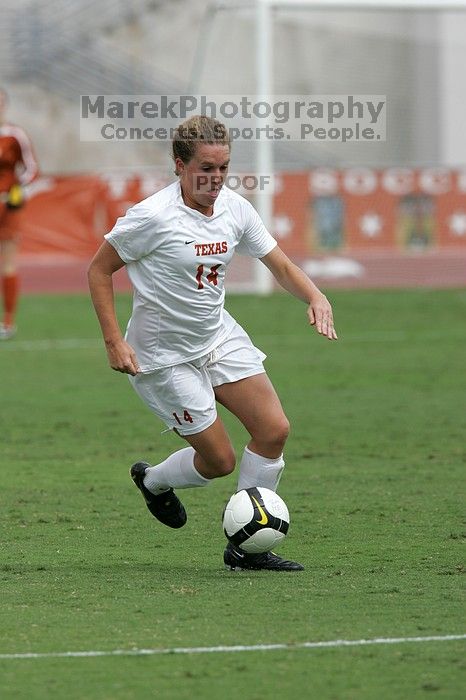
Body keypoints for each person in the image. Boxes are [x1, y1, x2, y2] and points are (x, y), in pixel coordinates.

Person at [88, 115, 338, 571]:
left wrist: (315, 295)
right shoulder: (151, 217)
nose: (216, 178)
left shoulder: (235, 209)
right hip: (163, 358)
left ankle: (244, 547)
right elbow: (98, 270)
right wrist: (112, 342)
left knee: (274, 430)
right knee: (219, 461)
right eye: (206, 167)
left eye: (223, 167)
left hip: (218, 337)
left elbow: (279, 264)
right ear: (179, 165)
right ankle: (154, 481)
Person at [0, 89, 39, 339]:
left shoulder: (15, 135)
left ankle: (8, 322)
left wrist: (15, 190)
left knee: (8, 264)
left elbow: (32, 168)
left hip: (7, 207)